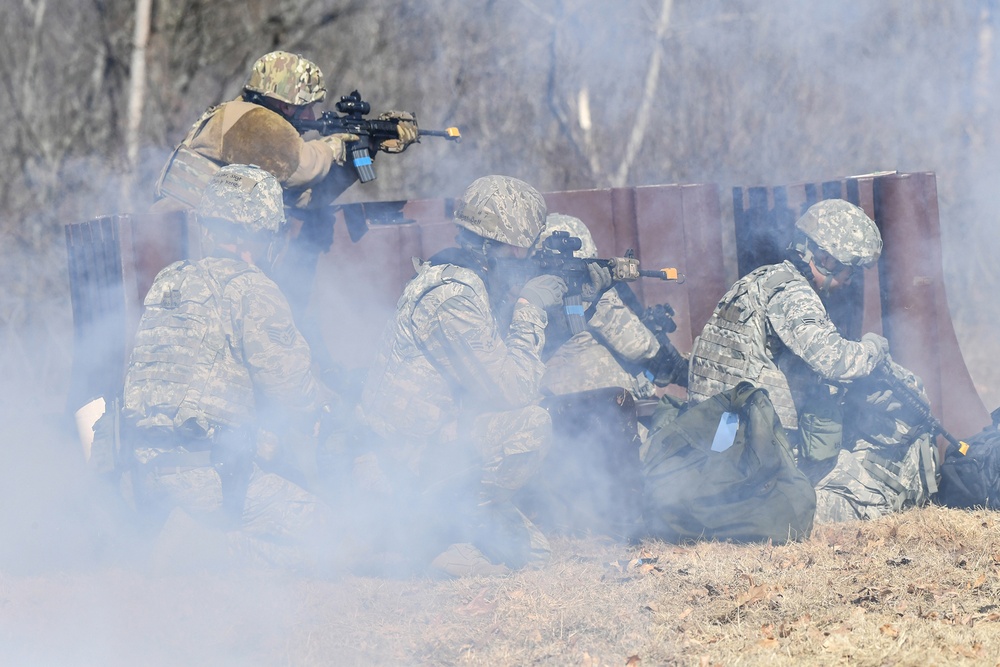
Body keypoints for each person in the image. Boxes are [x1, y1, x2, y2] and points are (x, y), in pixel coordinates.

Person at [122, 164, 345, 573]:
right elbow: (295, 396)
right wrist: (332, 408)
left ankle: (177, 533)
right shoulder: (253, 289)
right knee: (337, 542)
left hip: (145, 470)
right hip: (207, 477)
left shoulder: (169, 280)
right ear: (255, 235)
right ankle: (201, 550)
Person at [356, 175, 569, 577]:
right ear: (497, 246)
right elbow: (516, 390)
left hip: (427, 447)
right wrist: (530, 308)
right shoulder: (454, 297)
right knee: (532, 422)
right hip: (398, 465)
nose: (525, 258)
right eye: (521, 250)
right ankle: (430, 532)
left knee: (534, 554)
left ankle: (447, 528)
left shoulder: (463, 280)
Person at [686, 198, 937, 522]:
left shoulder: (759, 280)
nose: (849, 280)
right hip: (753, 453)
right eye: (850, 270)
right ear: (825, 258)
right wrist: (875, 349)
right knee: (874, 493)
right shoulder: (793, 293)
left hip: (723, 444)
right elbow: (834, 360)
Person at [151, 50, 419, 321]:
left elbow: (305, 199)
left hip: (201, 246)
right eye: (309, 105)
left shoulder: (256, 136)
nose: (313, 114)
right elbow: (303, 167)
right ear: (289, 105)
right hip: (189, 245)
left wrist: (362, 152)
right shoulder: (247, 117)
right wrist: (338, 144)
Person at [537, 213, 687, 404]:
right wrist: (664, 358)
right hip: (596, 399)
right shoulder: (587, 290)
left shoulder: (533, 290)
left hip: (548, 392)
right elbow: (636, 346)